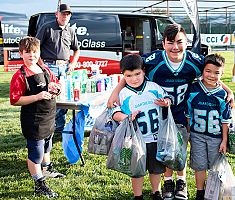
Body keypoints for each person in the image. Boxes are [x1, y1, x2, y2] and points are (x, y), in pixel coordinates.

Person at [107, 24, 234, 200]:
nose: (175, 47)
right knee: (163, 150)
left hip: (181, 111)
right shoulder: (153, 60)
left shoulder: (195, 60)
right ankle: (167, 182)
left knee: (178, 149)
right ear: (163, 43)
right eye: (170, 42)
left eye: (179, 42)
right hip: (159, 114)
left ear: (187, 42)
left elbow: (211, 75)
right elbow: (132, 70)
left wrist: (228, 90)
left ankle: (181, 182)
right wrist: (116, 91)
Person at [10, 37, 65, 198]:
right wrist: (38, 96)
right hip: (33, 121)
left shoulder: (44, 69)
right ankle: (39, 184)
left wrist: (57, 89)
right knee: (36, 153)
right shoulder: (20, 76)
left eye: (34, 52)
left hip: (48, 118)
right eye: (27, 52)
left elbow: (56, 83)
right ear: (21, 53)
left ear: (39, 52)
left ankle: (47, 170)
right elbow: (15, 100)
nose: (31, 55)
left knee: (47, 146)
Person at [112, 54, 171, 200]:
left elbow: (168, 98)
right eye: (129, 75)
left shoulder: (153, 87)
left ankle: (156, 191)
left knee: (156, 169)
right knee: (137, 170)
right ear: (123, 76)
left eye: (137, 74)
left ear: (144, 70)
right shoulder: (123, 94)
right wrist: (127, 117)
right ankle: (137, 195)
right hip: (135, 140)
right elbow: (114, 113)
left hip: (155, 137)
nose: (134, 79)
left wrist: (166, 102)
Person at [186, 53, 231, 200]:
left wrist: (224, 140)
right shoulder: (193, 89)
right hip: (196, 135)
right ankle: (200, 192)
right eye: (208, 71)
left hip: (216, 137)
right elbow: (188, 115)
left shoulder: (222, 94)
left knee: (215, 168)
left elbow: (225, 120)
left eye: (217, 73)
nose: (212, 75)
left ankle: (213, 193)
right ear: (202, 71)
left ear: (222, 73)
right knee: (199, 166)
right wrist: (188, 133)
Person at [36, 3, 80, 133]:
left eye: (67, 14)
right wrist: (41, 64)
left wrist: (73, 64)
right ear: (57, 14)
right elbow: (36, 47)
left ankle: (58, 127)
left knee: (65, 98)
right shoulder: (47, 27)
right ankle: (48, 126)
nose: (65, 16)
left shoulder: (70, 30)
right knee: (50, 97)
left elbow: (77, 49)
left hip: (65, 68)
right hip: (50, 67)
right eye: (63, 14)